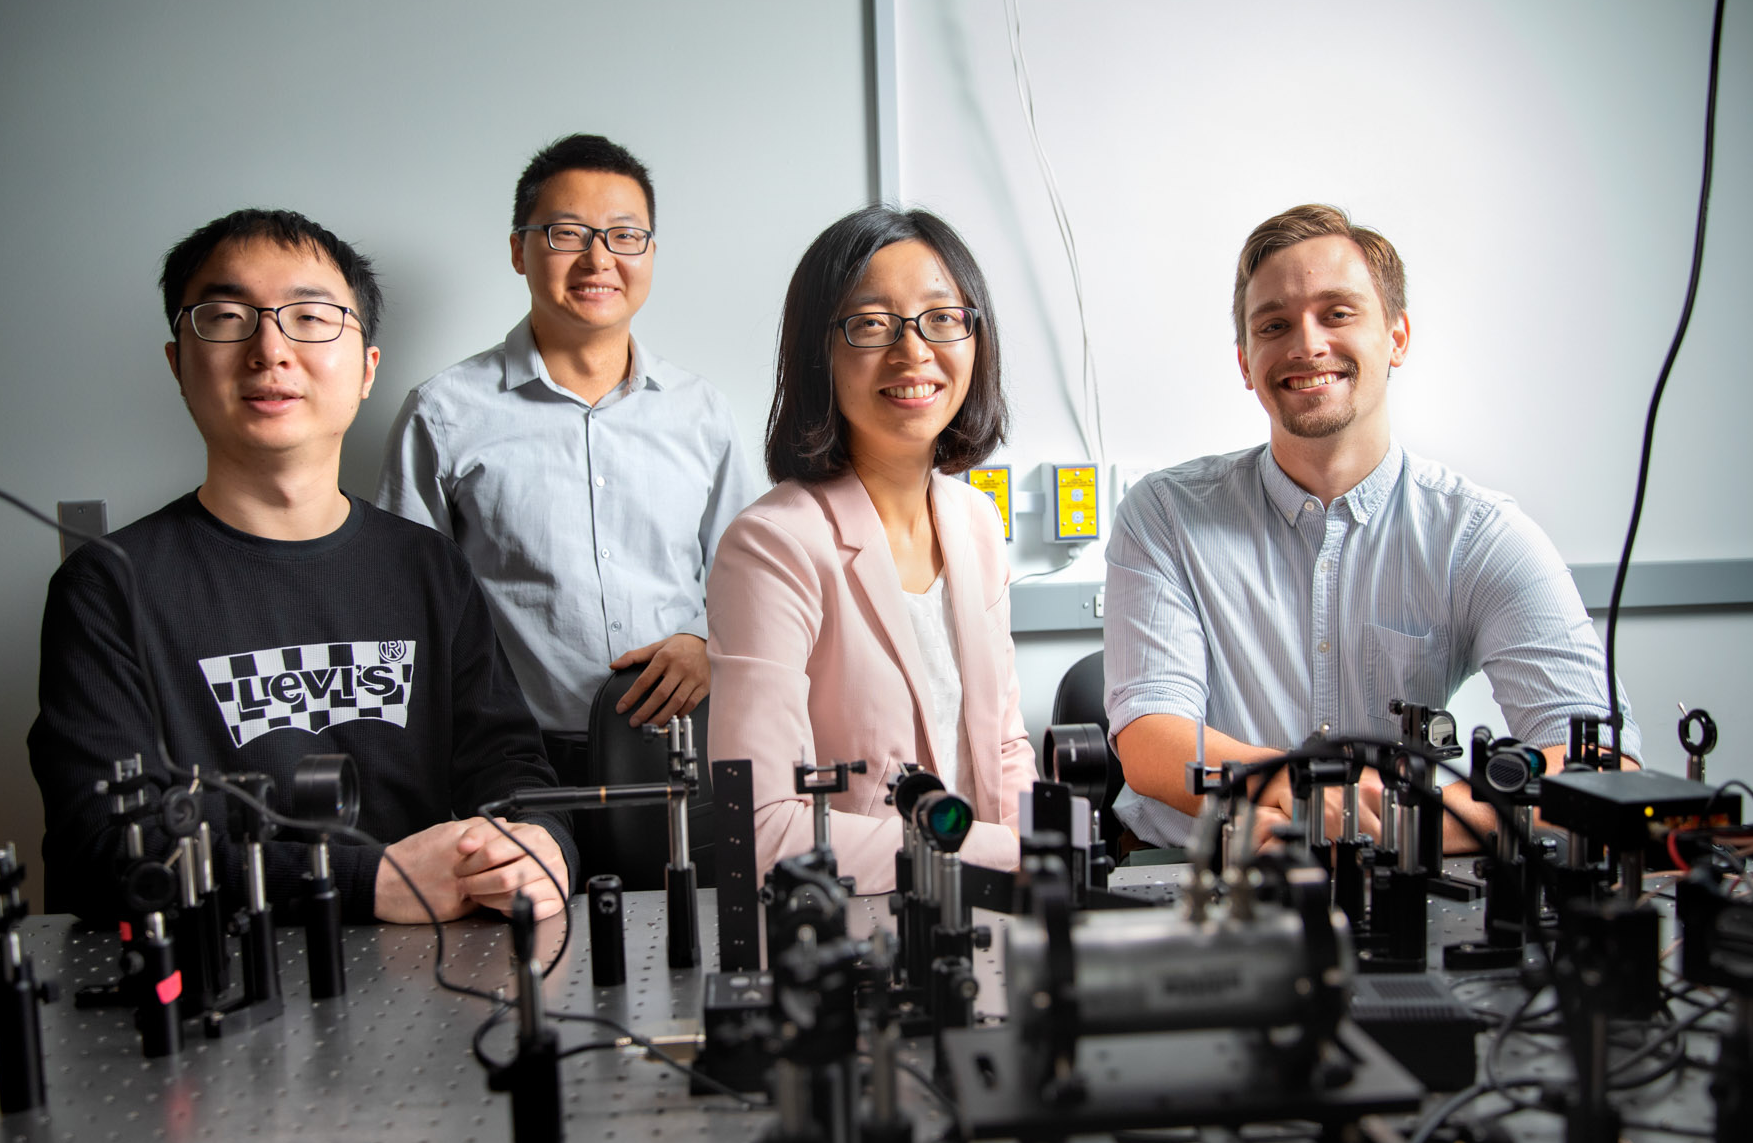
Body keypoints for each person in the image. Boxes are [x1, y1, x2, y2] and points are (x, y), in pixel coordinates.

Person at [31, 209, 575, 925]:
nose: (269, 348)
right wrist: (366, 879)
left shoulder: (427, 566)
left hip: (428, 975)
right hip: (210, 984)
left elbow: (509, 768)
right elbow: (99, 848)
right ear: (177, 364)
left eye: (311, 317)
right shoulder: (106, 586)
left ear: (366, 371)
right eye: (227, 316)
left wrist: (542, 845)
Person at [1105, 203, 1639, 851]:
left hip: (1406, 879)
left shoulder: (1481, 536)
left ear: (1398, 337)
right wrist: (1299, 791)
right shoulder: (1164, 516)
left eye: (1338, 312)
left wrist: (1395, 824)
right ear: (1246, 362)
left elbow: (1601, 765)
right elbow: (1152, 740)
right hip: (1195, 879)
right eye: (1273, 324)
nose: (1307, 343)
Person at [376, 134, 752, 788]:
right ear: (519, 250)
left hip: (684, 747)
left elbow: (747, 578)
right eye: (567, 233)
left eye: (624, 235)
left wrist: (707, 645)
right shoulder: (444, 413)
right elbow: (401, 609)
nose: (598, 258)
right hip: (510, 759)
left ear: (651, 254)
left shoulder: (703, 414)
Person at [708, 207, 1031, 888]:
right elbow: (761, 830)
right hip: (855, 930)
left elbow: (1003, 747)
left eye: (942, 317)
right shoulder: (774, 545)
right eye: (872, 323)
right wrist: (1003, 852)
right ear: (818, 349)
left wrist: (1048, 851)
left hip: (994, 914)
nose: (913, 351)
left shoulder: (976, 522)